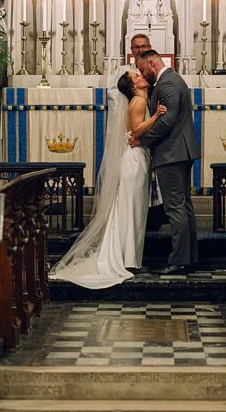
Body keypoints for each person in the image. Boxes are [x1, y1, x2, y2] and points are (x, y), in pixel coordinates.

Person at [50, 68, 167, 289]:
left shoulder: (139, 100)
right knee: (132, 209)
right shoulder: (139, 103)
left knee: (132, 209)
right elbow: (136, 130)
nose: (141, 76)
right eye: (136, 77)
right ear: (133, 86)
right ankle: (126, 260)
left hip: (135, 158)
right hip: (134, 160)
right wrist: (156, 117)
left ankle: (127, 257)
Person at [131, 49, 201, 274]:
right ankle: (189, 257)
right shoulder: (171, 80)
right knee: (184, 206)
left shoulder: (168, 83)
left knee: (175, 207)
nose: (143, 74)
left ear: (151, 63)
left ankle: (178, 260)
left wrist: (143, 140)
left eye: (142, 70)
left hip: (172, 153)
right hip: (180, 152)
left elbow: (168, 119)